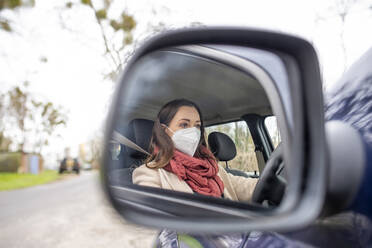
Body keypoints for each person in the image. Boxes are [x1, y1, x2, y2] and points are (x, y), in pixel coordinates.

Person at [132, 98, 257, 201]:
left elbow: (245, 186)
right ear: (165, 131)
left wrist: (272, 182)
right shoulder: (149, 174)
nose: (193, 131)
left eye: (197, 126)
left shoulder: (211, 168)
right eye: (184, 125)